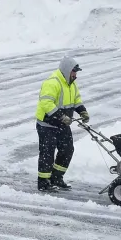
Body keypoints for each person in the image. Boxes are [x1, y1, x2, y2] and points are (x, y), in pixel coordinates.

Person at [35, 55, 89, 192]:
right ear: (67, 70)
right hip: (47, 125)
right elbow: (45, 103)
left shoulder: (71, 83)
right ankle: (43, 182)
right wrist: (61, 116)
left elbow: (76, 99)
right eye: (74, 72)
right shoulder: (53, 82)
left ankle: (56, 178)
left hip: (62, 125)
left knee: (67, 150)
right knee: (47, 153)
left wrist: (82, 111)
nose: (75, 75)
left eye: (76, 72)